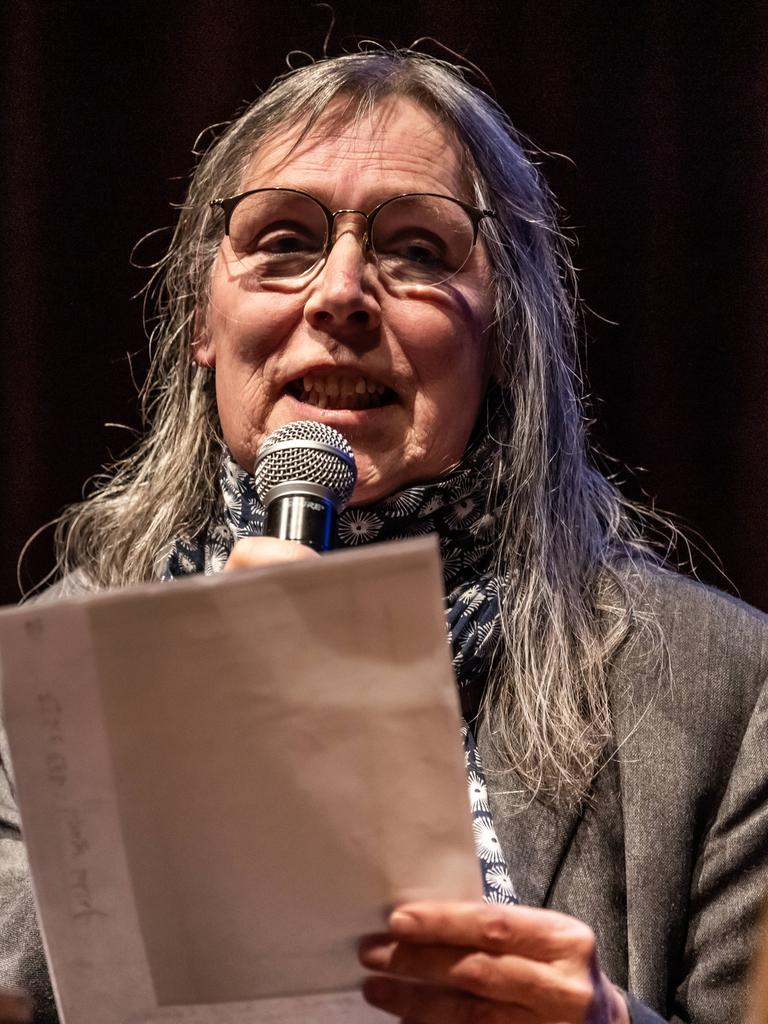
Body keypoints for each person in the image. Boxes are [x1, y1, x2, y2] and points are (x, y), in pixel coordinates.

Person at [2, 48, 767, 1024]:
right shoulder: (42, 676)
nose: (341, 294)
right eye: (283, 240)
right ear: (204, 316)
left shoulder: (726, 688)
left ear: (505, 335)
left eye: (416, 250)